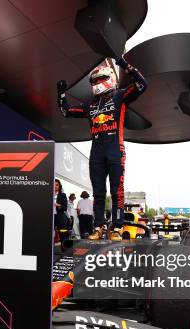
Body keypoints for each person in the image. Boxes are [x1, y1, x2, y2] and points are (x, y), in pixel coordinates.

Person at [57, 54, 147, 241]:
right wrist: (61, 93)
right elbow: (66, 111)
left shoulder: (120, 96)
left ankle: (117, 227)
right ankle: (98, 227)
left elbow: (142, 85)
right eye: (94, 81)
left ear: (110, 79)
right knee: (98, 192)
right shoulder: (90, 105)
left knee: (117, 190)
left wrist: (124, 64)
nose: (97, 83)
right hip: (96, 152)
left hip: (115, 149)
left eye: (100, 79)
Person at [54, 179, 69, 244]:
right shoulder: (46, 194)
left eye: (57, 185)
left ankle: (67, 252)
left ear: (59, 186)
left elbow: (65, 207)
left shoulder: (63, 195)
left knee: (63, 235)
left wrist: (57, 205)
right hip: (50, 217)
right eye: (54, 184)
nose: (55, 186)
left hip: (60, 217)